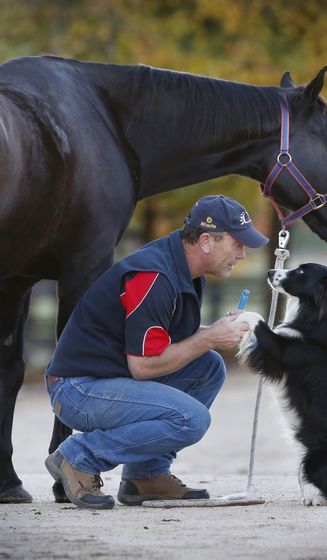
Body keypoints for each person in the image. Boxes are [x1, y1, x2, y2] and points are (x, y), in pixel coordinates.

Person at [44, 194, 268, 509]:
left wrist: (214, 333)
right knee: (191, 419)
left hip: (105, 379)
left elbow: (158, 341)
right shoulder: (154, 276)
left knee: (208, 367)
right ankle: (78, 456)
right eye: (238, 244)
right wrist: (209, 338)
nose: (243, 254)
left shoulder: (181, 267)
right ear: (206, 241)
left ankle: (145, 476)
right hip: (76, 388)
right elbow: (143, 367)